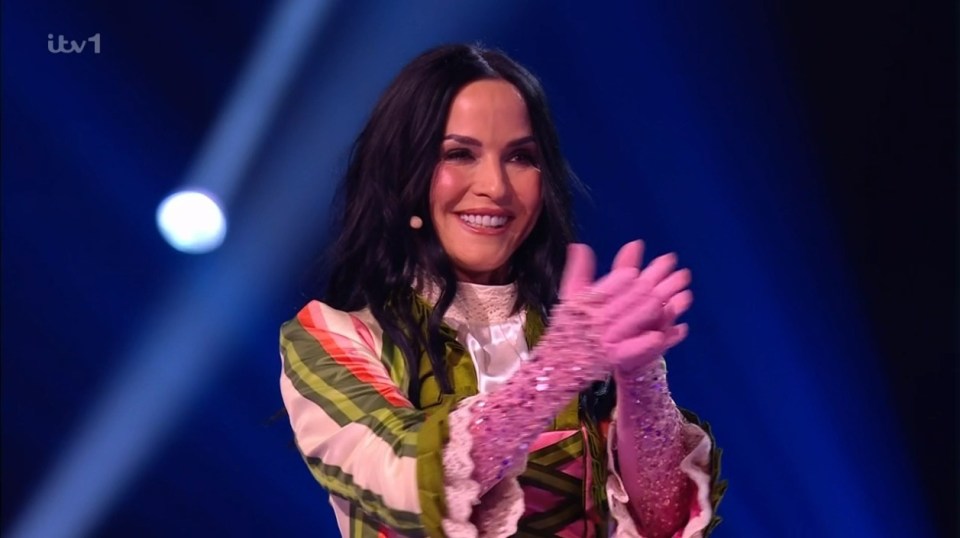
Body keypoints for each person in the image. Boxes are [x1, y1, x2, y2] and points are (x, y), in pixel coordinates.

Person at [279, 44, 725, 538]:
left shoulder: (581, 329)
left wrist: (639, 378)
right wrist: (557, 370)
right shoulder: (331, 337)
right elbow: (403, 481)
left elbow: (664, 521)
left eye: (520, 157)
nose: (495, 185)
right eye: (459, 154)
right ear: (402, 172)